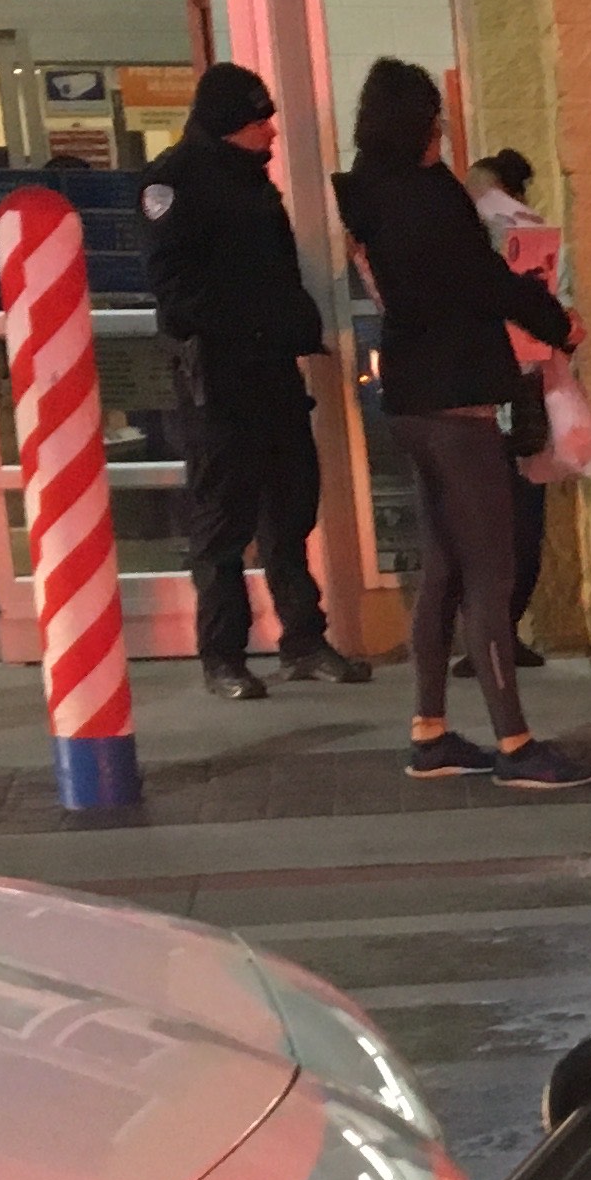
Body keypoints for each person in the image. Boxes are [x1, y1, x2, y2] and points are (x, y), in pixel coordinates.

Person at [331, 56, 590, 791]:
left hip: (412, 398)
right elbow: (482, 280)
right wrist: (554, 321)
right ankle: (515, 742)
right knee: (490, 569)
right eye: (436, 116)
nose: (444, 129)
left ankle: (431, 730)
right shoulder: (424, 196)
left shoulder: (371, 195)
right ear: (418, 123)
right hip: (457, 404)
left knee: (444, 565)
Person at [146, 61, 367, 702]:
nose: (271, 130)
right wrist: (260, 323)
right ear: (227, 126)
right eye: (259, 119)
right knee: (222, 523)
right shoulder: (173, 183)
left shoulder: (254, 184)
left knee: (290, 508)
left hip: (271, 372)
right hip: (218, 378)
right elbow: (177, 295)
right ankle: (223, 656)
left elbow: (274, 275)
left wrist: (296, 328)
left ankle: (303, 640)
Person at [467, 148, 559, 679]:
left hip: (513, 391)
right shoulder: (520, 236)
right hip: (509, 391)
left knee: (513, 518)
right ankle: (495, 631)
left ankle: (498, 630)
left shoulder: (520, 239)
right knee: (510, 517)